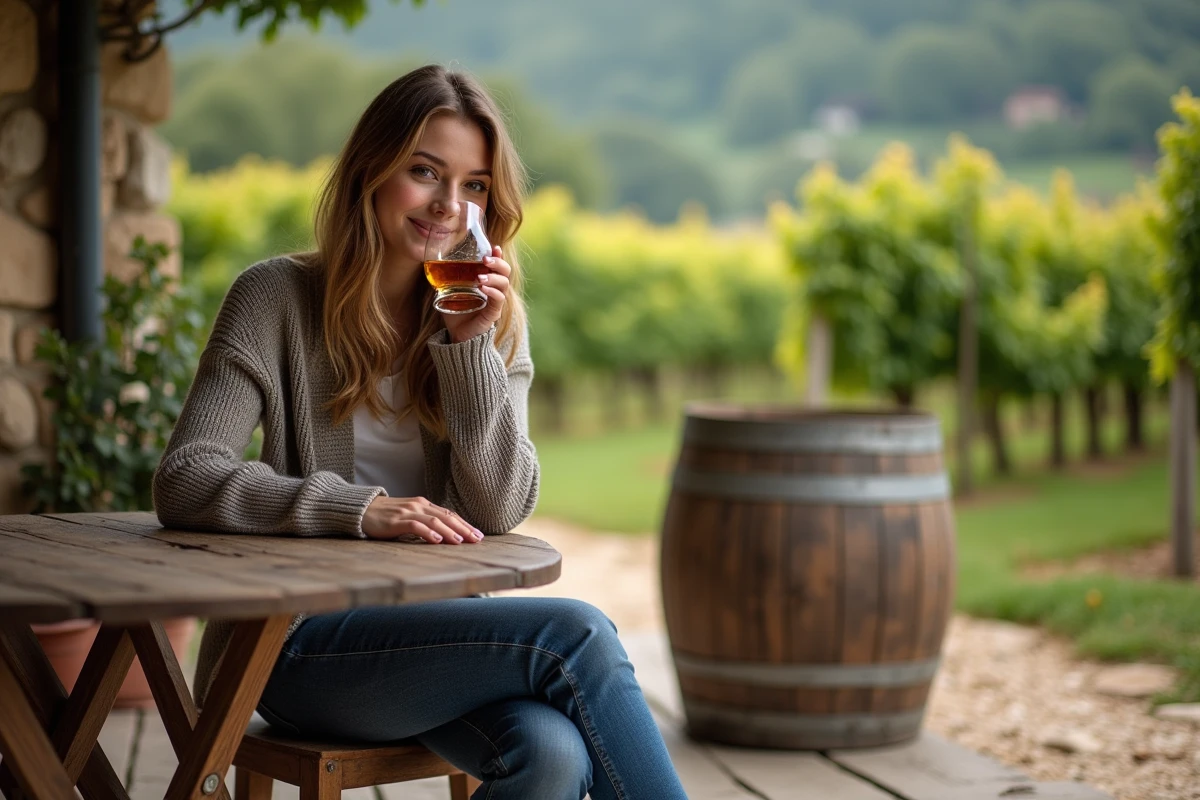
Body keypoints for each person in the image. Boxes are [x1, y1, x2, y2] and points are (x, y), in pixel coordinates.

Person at [152, 65, 688, 799]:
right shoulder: (273, 296)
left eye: (474, 187)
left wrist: (468, 352)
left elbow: (499, 508)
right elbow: (185, 476)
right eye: (425, 172)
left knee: (553, 754)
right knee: (579, 635)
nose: (448, 205)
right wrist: (361, 509)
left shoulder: (495, 323)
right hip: (293, 646)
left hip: (440, 641)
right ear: (370, 172)